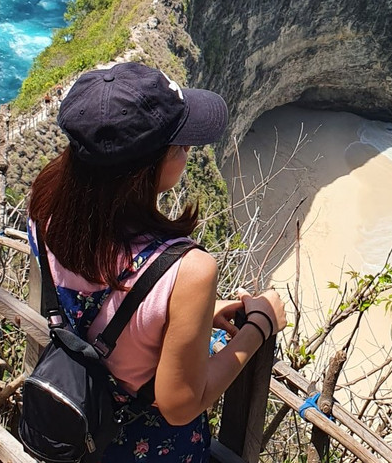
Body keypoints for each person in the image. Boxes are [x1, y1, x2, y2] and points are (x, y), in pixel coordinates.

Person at [28, 62, 286, 462]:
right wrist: (260, 325)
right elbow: (179, 404)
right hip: (143, 447)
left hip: (75, 425)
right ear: (146, 169)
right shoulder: (186, 269)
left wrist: (188, 319)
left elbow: (96, 303)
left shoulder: (45, 210)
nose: (187, 153)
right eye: (180, 147)